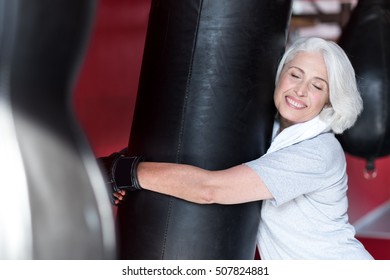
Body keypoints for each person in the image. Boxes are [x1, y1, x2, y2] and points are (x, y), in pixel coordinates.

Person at [99, 37, 374, 260]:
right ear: (280, 76)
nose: (300, 90)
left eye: (317, 86)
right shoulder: (274, 133)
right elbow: (210, 154)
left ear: (329, 101)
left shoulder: (319, 151)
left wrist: (123, 171)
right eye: (295, 75)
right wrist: (133, 162)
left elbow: (210, 189)